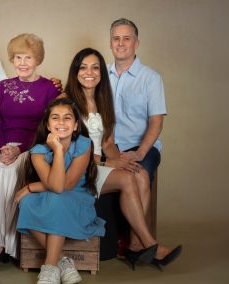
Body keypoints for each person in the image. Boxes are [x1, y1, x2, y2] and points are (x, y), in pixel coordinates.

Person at [64, 48, 181, 270]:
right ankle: (151, 245)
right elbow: (68, 150)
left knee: (137, 173)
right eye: (83, 67)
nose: (90, 72)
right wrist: (108, 163)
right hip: (77, 168)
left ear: (101, 72)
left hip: (98, 164)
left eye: (95, 67)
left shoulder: (101, 100)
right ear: (75, 71)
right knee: (126, 180)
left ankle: (136, 245)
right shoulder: (66, 102)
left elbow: (107, 142)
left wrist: (122, 161)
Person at [0, 33, 59, 264]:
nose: (22, 63)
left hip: (32, 147)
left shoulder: (49, 89)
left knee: (10, 174)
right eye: (17, 57)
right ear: (12, 60)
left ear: (37, 60)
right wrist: (4, 147)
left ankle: (11, 245)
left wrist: (20, 149)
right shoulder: (3, 86)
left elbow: (46, 127)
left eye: (28, 57)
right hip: (1, 145)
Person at [13, 98, 104, 284]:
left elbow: (66, 185)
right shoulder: (38, 151)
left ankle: (49, 267)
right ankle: (62, 261)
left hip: (77, 197)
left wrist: (32, 186)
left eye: (67, 118)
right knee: (26, 202)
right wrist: (57, 150)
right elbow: (55, 185)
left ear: (76, 125)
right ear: (47, 125)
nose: (61, 122)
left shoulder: (84, 145)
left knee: (57, 199)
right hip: (54, 192)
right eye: (55, 118)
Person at [108, 18, 166, 183]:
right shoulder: (100, 74)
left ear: (136, 43)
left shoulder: (151, 78)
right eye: (116, 38)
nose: (120, 43)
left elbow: (156, 121)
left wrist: (140, 152)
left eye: (126, 38)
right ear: (110, 43)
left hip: (141, 148)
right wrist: (55, 87)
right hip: (108, 148)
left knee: (137, 178)